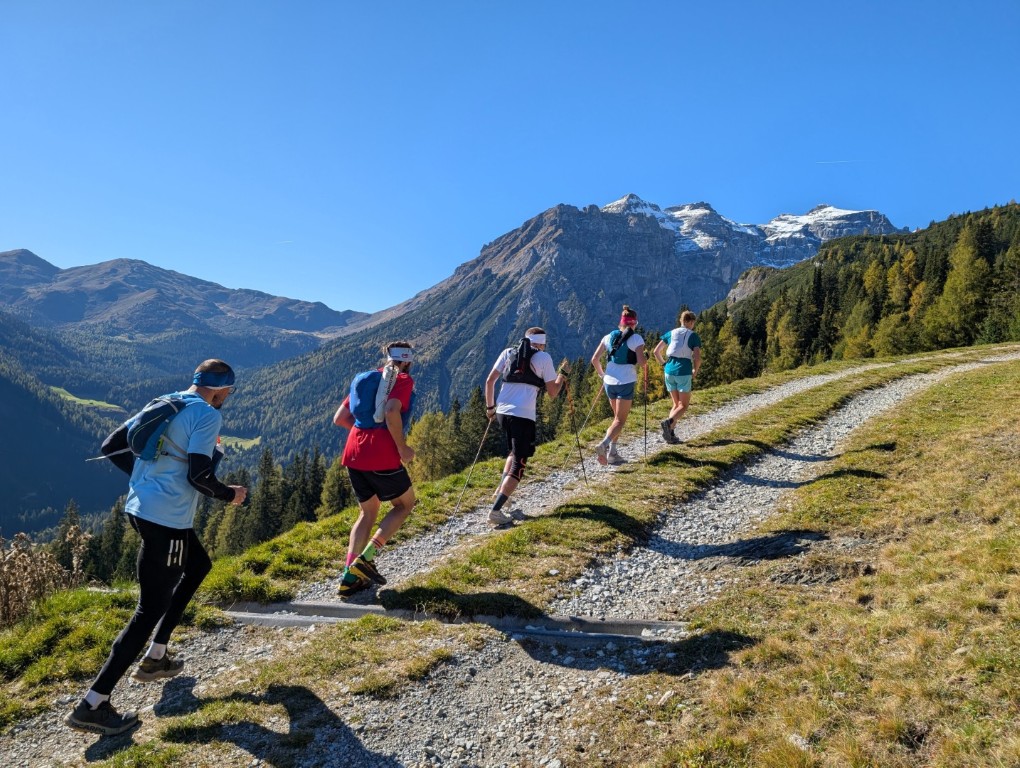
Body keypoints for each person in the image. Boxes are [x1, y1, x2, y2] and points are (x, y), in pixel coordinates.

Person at [66, 360, 247, 737]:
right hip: (168, 520)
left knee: (198, 566)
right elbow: (199, 475)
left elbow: (111, 445)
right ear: (221, 388)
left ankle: (157, 655)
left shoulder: (166, 401)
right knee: (148, 609)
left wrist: (148, 480)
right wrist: (231, 494)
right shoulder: (207, 415)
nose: (227, 397)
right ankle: (93, 703)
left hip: (141, 508)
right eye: (229, 391)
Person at [332, 342, 416, 597]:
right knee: (405, 504)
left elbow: (340, 419)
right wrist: (402, 447)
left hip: (353, 452)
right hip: (382, 455)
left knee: (367, 512)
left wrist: (364, 436)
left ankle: (350, 576)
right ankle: (366, 558)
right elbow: (391, 411)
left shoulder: (363, 378)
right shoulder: (402, 379)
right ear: (408, 362)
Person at [484, 327, 569, 527]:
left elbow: (490, 381)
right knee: (519, 463)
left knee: (513, 453)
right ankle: (495, 511)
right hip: (523, 415)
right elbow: (553, 392)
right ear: (541, 343)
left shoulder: (508, 352)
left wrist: (490, 409)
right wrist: (562, 375)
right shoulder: (543, 358)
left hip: (502, 412)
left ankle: (501, 493)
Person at [590, 305, 647, 465]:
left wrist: (602, 375)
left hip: (609, 382)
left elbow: (594, 359)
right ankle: (604, 444)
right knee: (620, 421)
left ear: (620, 322)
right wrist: (645, 356)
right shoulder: (636, 339)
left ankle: (613, 453)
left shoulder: (607, 337)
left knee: (616, 419)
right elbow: (642, 363)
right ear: (634, 323)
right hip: (626, 381)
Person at [653, 310, 702, 444]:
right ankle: (668, 423)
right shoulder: (693, 336)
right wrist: (695, 371)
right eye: (693, 323)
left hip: (669, 370)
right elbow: (697, 357)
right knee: (684, 405)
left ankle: (671, 434)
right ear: (691, 322)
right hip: (683, 371)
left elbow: (656, 351)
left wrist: (663, 364)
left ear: (681, 321)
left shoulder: (671, 333)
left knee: (676, 404)